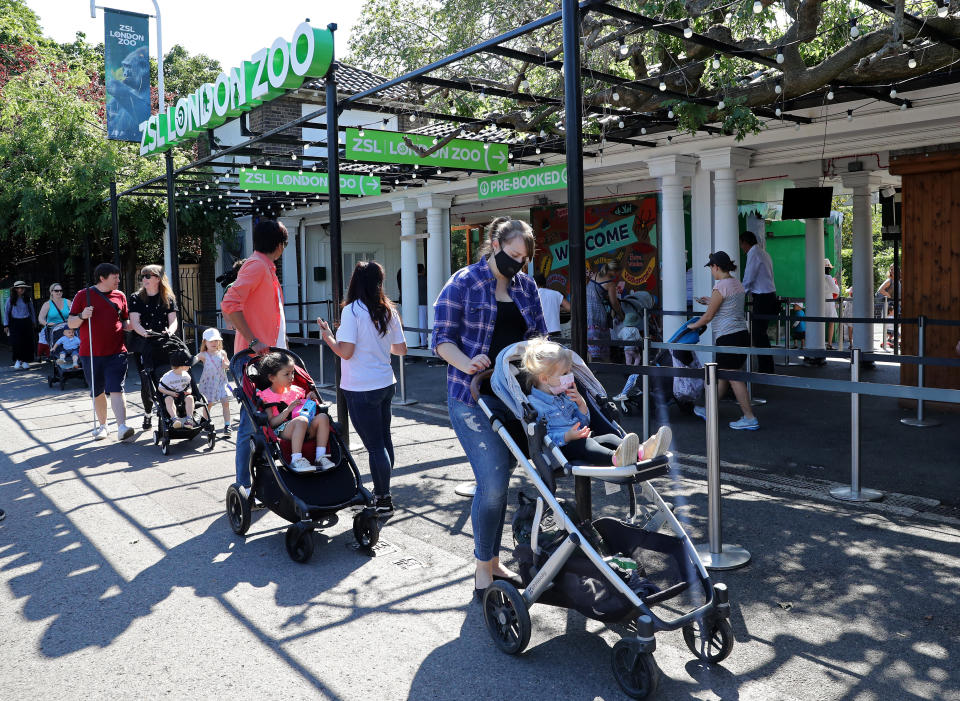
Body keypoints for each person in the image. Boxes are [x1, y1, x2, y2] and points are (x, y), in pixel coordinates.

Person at [432, 216, 546, 597]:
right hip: (472, 396)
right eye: (513, 255)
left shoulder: (526, 286)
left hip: (517, 398)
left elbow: (538, 339)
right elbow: (441, 340)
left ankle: (495, 561)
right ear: (495, 245)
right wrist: (468, 363)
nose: (519, 264)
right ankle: (485, 568)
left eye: (524, 258)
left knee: (503, 480)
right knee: (494, 483)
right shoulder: (463, 283)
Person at [318, 261, 407, 515]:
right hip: (385, 382)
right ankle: (385, 493)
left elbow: (345, 353)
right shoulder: (388, 309)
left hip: (360, 387)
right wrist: (377, 346)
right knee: (384, 439)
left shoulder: (351, 311)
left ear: (355, 281)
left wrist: (327, 336)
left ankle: (383, 499)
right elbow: (400, 349)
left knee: (375, 446)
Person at [523, 338, 672, 466]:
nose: (570, 376)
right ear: (544, 378)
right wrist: (567, 436)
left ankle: (643, 451)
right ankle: (616, 459)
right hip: (561, 448)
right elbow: (542, 437)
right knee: (588, 444)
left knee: (609, 438)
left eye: (570, 372)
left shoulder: (565, 395)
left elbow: (584, 422)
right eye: (564, 373)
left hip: (582, 438)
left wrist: (581, 404)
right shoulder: (535, 404)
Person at [221, 219, 289, 495]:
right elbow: (229, 303)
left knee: (266, 423)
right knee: (251, 424)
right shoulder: (258, 266)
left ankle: (261, 482)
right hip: (256, 361)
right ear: (279, 244)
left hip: (269, 359)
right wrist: (252, 340)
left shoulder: (264, 267)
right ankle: (244, 484)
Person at [689, 251, 759, 430]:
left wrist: (693, 326)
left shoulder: (720, 287)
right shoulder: (737, 283)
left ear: (716, 267)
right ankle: (708, 409)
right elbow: (727, 305)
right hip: (741, 334)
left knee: (733, 377)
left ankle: (749, 417)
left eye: (711, 267)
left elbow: (708, 316)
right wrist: (710, 301)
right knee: (724, 375)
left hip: (728, 337)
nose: (711, 271)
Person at [68, 263, 135, 441]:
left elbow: (126, 321)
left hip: (116, 351)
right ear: (102, 278)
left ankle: (122, 426)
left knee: (116, 389)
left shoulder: (120, 296)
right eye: (115, 277)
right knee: (98, 391)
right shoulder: (83, 295)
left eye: (118, 277)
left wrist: (137, 325)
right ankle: (104, 426)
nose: (118, 281)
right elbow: (71, 323)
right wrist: (82, 316)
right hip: (91, 354)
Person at [257, 351, 333, 472]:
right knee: (301, 420)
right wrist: (287, 410)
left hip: (305, 425)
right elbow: (271, 423)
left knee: (323, 417)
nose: (291, 377)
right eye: (286, 374)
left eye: (292, 373)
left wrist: (308, 400)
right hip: (283, 429)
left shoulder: (297, 391)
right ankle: (296, 460)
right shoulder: (267, 396)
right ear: (272, 377)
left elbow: (303, 410)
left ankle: (321, 457)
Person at [128, 265, 179, 429]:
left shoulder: (168, 298)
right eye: (142, 277)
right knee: (146, 381)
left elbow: (173, 321)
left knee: (165, 377)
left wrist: (170, 332)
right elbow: (134, 322)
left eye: (147, 276)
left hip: (163, 342)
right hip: (144, 343)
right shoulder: (136, 297)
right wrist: (145, 333)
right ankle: (148, 412)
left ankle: (169, 411)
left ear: (158, 278)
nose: (144, 279)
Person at [739, 232, 777, 373]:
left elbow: (749, 278)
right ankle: (766, 366)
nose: (741, 247)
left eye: (741, 244)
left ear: (745, 242)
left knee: (758, 334)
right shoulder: (763, 253)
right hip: (768, 296)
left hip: (762, 297)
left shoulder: (753, 254)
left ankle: (766, 368)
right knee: (761, 334)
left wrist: (739, 297)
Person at [196, 328, 232, 436]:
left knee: (225, 402)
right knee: (209, 404)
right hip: (208, 384)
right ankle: (205, 421)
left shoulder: (222, 353)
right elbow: (194, 359)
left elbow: (227, 364)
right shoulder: (203, 354)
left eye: (216, 340)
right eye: (211, 341)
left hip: (221, 382)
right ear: (205, 342)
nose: (214, 343)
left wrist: (226, 365)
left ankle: (227, 425)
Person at [587, 261, 624, 362]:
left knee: (590, 342)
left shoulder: (594, 275)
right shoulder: (610, 284)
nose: (619, 275)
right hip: (598, 315)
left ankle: (591, 367)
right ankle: (606, 368)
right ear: (614, 271)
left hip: (587, 313)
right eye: (619, 272)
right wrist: (621, 314)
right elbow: (614, 303)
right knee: (603, 343)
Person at [158, 350, 196, 429]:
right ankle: (175, 419)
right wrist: (170, 393)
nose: (190, 366)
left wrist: (189, 391)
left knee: (190, 398)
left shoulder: (186, 375)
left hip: (183, 395)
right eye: (188, 365)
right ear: (182, 365)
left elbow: (188, 386)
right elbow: (160, 388)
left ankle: (189, 419)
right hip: (170, 394)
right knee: (168, 399)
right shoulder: (167, 377)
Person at [5, 281, 36, 369]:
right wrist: (6, 325)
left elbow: (32, 311)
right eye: (19, 288)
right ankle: (18, 360)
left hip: (26, 322)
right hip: (15, 322)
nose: (21, 289)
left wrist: (33, 321)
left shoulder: (28, 299)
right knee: (16, 342)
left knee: (26, 342)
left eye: (23, 288)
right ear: (15, 289)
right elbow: (6, 312)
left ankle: (25, 361)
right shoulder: (10, 299)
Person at [37, 283, 71, 358]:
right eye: (56, 291)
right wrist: (46, 324)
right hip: (54, 330)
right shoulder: (47, 304)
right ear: (51, 292)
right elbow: (40, 318)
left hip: (67, 329)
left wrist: (71, 319)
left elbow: (74, 313)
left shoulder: (67, 302)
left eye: (60, 290)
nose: (59, 292)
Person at [534, 273, 570, 339]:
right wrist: (558, 308)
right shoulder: (555, 293)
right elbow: (570, 308)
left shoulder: (531, 296)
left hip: (539, 334)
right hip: (555, 332)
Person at [877, 265, 899, 350]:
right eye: (891, 269)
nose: (892, 271)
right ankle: (886, 340)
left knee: (894, 323)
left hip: (894, 303)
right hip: (890, 304)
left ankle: (890, 339)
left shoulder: (897, 280)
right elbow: (880, 290)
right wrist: (889, 296)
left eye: (894, 269)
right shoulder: (889, 280)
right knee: (890, 322)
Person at [823, 258, 840, 349]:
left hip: (819, 302)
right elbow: (836, 290)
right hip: (828, 302)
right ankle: (829, 344)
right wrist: (835, 284)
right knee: (831, 322)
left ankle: (820, 343)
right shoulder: (828, 277)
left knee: (819, 322)